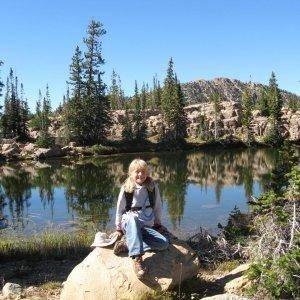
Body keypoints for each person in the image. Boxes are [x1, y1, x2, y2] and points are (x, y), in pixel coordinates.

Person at [111, 158, 169, 279]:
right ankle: (137, 260)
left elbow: (158, 206)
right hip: (130, 224)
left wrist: (158, 224)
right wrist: (118, 229)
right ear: (130, 173)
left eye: (143, 171)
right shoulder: (126, 188)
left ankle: (128, 244)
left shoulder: (152, 188)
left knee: (163, 243)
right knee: (132, 218)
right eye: (137, 171)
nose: (140, 174)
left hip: (145, 226)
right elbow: (120, 209)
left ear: (147, 173)